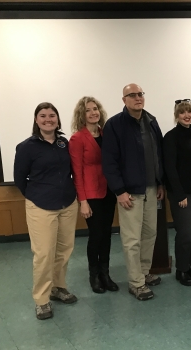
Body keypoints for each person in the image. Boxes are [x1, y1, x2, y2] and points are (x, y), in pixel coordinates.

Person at [14, 102, 78, 320]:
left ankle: (58, 287)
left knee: (64, 250)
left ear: (58, 120)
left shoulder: (63, 143)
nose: (48, 119)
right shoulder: (26, 147)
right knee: (43, 254)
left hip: (67, 204)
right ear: (36, 120)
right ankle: (42, 300)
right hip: (40, 206)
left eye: (52, 115)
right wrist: (36, 195)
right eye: (43, 116)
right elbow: (20, 179)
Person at [102, 84, 164, 301]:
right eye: (132, 95)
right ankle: (136, 282)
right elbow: (109, 162)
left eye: (140, 94)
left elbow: (159, 155)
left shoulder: (151, 121)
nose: (138, 98)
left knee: (150, 234)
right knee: (131, 239)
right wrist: (119, 191)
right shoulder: (114, 125)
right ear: (124, 99)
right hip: (130, 193)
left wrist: (160, 183)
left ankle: (144, 273)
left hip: (151, 189)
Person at [69, 96, 118, 294]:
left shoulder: (106, 133)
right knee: (96, 235)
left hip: (109, 191)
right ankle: (94, 275)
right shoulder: (77, 139)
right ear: (82, 114)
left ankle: (105, 274)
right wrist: (83, 201)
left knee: (107, 234)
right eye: (88, 110)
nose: (93, 113)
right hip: (91, 194)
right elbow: (77, 172)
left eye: (95, 108)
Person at [163, 99, 191, 286]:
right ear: (176, 115)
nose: (186, 115)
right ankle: (181, 270)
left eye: (189, 111)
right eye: (182, 112)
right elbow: (170, 169)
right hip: (181, 194)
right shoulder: (171, 137)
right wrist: (180, 194)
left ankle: (188, 265)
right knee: (185, 233)